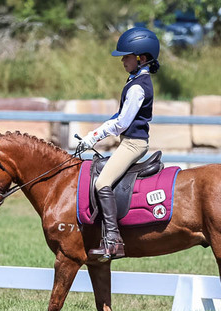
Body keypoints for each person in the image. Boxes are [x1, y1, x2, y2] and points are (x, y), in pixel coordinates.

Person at [77, 27, 160, 261]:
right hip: (129, 142)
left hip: (133, 144)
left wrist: (94, 136)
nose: (123, 61)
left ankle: (113, 240)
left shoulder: (137, 87)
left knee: (102, 182)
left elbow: (122, 123)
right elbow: (119, 116)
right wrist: (95, 132)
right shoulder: (135, 80)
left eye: (126, 57)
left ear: (141, 58)